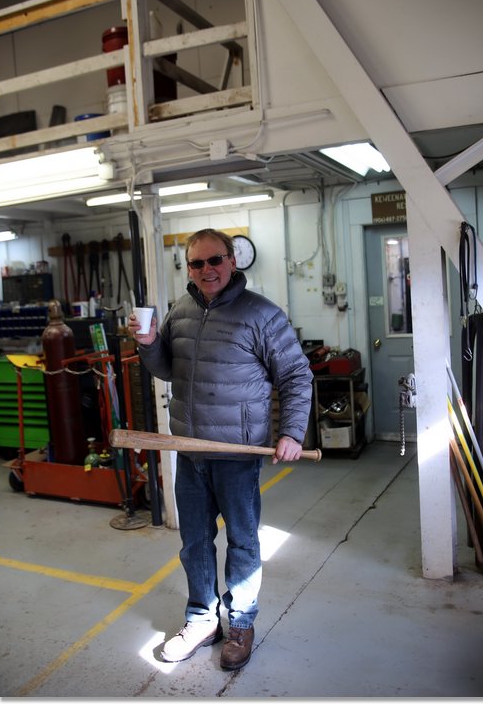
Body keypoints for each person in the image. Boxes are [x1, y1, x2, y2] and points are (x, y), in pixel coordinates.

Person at [128, 228, 313, 671]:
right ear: (189, 268)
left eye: (215, 260)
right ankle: (201, 620)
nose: (207, 270)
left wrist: (291, 432)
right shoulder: (181, 310)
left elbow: (296, 375)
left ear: (232, 261)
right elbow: (168, 368)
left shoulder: (262, 314)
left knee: (243, 542)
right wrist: (149, 345)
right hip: (190, 450)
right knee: (194, 542)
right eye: (198, 263)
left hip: (237, 454)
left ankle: (241, 623)